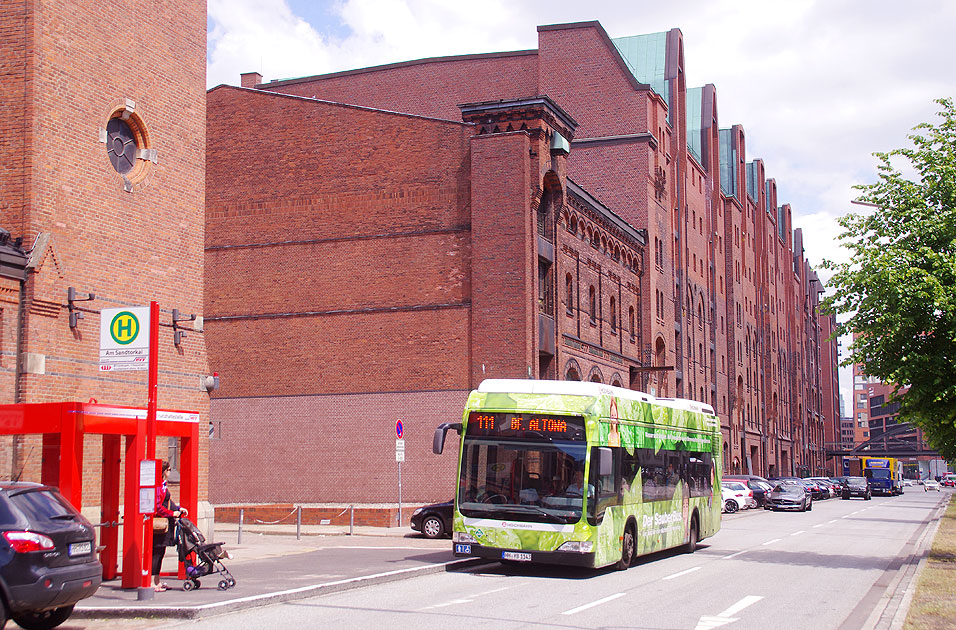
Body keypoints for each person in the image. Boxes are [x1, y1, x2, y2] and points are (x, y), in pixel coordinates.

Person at [152, 461, 187, 592]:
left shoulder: (162, 485)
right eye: (169, 469)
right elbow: (157, 507)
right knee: (155, 553)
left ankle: (157, 581)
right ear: (163, 471)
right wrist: (172, 513)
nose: (170, 472)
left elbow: (166, 502)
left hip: (166, 523)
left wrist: (178, 508)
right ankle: (151, 582)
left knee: (160, 552)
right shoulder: (157, 487)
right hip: (160, 524)